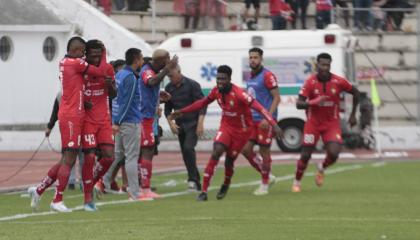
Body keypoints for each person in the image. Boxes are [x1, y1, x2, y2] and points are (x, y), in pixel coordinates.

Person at [169, 65, 283, 201]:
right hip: (226, 127)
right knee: (216, 150)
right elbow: (202, 103)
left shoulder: (240, 94)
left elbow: (259, 108)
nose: (220, 82)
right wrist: (182, 111)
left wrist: (274, 124)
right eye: (218, 79)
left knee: (229, 161)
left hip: (242, 131)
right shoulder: (216, 91)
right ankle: (204, 191)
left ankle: (226, 183)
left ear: (229, 79)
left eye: (223, 79)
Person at [28, 36, 109, 212]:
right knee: (70, 158)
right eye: (83, 52)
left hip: (74, 114)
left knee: (66, 159)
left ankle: (40, 190)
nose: (85, 55)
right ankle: (57, 199)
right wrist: (103, 55)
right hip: (72, 116)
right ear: (76, 50)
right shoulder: (75, 63)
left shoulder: (66, 62)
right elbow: (100, 71)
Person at [292, 53, 360, 193]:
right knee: (305, 155)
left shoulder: (338, 81)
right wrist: (313, 102)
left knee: (334, 153)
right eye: (322, 65)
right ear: (317, 65)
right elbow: (299, 104)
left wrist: (353, 114)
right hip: (313, 123)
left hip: (331, 123)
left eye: (327, 65)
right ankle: (297, 182)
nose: (325, 68)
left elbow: (356, 93)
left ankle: (321, 168)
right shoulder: (310, 82)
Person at [81, 40, 117, 211]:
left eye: (99, 54)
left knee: (109, 157)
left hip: (103, 120)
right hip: (87, 120)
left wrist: (109, 85)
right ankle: (88, 199)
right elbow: (72, 92)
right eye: (92, 54)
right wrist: (83, 101)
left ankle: (90, 182)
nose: (96, 58)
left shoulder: (108, 69)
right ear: (86, 54)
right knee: (88, 157)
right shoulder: (80, 68)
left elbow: (114, 94)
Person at [138, 49, 178, 200]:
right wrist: (167, 70)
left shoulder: (152, 70)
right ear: (161, 60)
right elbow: (151, 81)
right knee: (145, 151)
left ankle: (141, 188)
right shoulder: (147, 71)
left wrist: (159, 99)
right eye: (167, 60)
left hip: (148, 118)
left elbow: (148, 90)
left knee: (145, 151)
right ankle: (143, 189)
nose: (168, 63)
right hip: (143, 119)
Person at [241, 48, 281, 196]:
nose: (252, 60)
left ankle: (264, 185)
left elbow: (277, 98)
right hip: (252, 120)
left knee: (264, 150)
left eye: (255, 57)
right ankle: (268, 176)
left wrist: (268, 118)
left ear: (261, 59)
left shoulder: (268, 75)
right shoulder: (250, 77)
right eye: (250, 57)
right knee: (245, 149)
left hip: (265, 120)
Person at [164, 65, 206, 192]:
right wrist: (171, 123)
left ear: (179, 72)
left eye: (172, 76)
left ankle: (192, 180)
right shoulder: (169, 88)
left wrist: (200, 123)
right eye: (168, 77)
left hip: (193, 123)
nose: (170, 79)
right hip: (180, 124)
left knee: (188, 148)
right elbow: (167, 109)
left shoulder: (193, 85)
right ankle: (196, 181)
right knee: (185, 153)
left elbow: (202, 105)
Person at [111, 48, 144, 200]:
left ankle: (102, 182)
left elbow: (116, 99)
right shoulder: (131, 77)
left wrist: (115, 120)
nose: (143, 61)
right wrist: (118, 121)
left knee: (118, 155)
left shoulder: (119, 74)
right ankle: (135, 192)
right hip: (129, 121)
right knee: (131, 157)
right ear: (136, 60)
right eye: (141, 59)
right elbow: (128, 101)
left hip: (119, 120)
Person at [45, 91, 84, 191]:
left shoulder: (80, 91)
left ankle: (81, 181)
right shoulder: (61, 94)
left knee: (80, 157)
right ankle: (71, 181)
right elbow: (55, 111)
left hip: (79, 128)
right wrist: (49, 126)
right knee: (71, 157)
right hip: (69, 130)